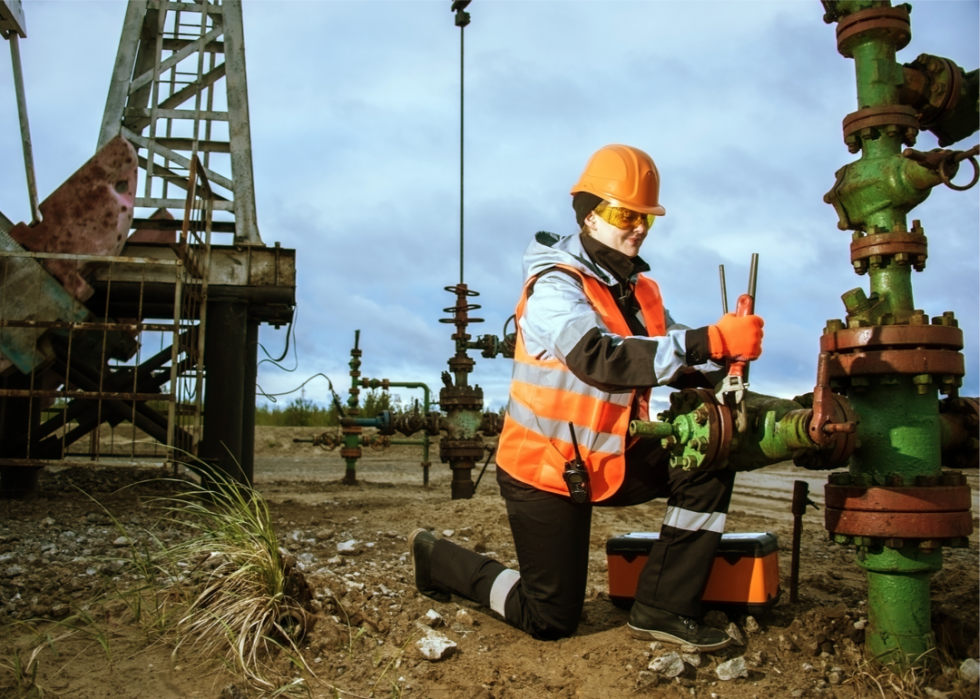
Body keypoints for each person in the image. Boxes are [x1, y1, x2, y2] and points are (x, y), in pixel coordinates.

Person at [409, 144, 764, 649]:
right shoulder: (555, 286)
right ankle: (438, 559)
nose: (637, 226)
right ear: (590, 217)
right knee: (550, 618)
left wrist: (721, 353)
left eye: (646, 217)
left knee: (709, 459)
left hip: (610, 455)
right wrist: (708, 340)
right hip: (546, 470)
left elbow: (664, 347)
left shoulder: (639, 288)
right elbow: (601, 358)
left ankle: (663, 608)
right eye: (625, 214)